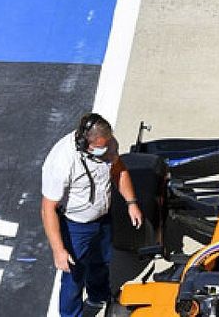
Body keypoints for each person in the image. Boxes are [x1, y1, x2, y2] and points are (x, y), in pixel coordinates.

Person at [41, 113, 143, 317]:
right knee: (74, 276)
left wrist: (131, 203)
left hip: (103, 218)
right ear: (85, 144)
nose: (108, 149)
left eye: (108, 143)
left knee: (102, 261)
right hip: (76, 226)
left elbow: (119, 170)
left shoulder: (108, 144)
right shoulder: (62, 162)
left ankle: (99, 297)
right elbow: (47, 208)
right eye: (102, 147)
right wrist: (59, 250)